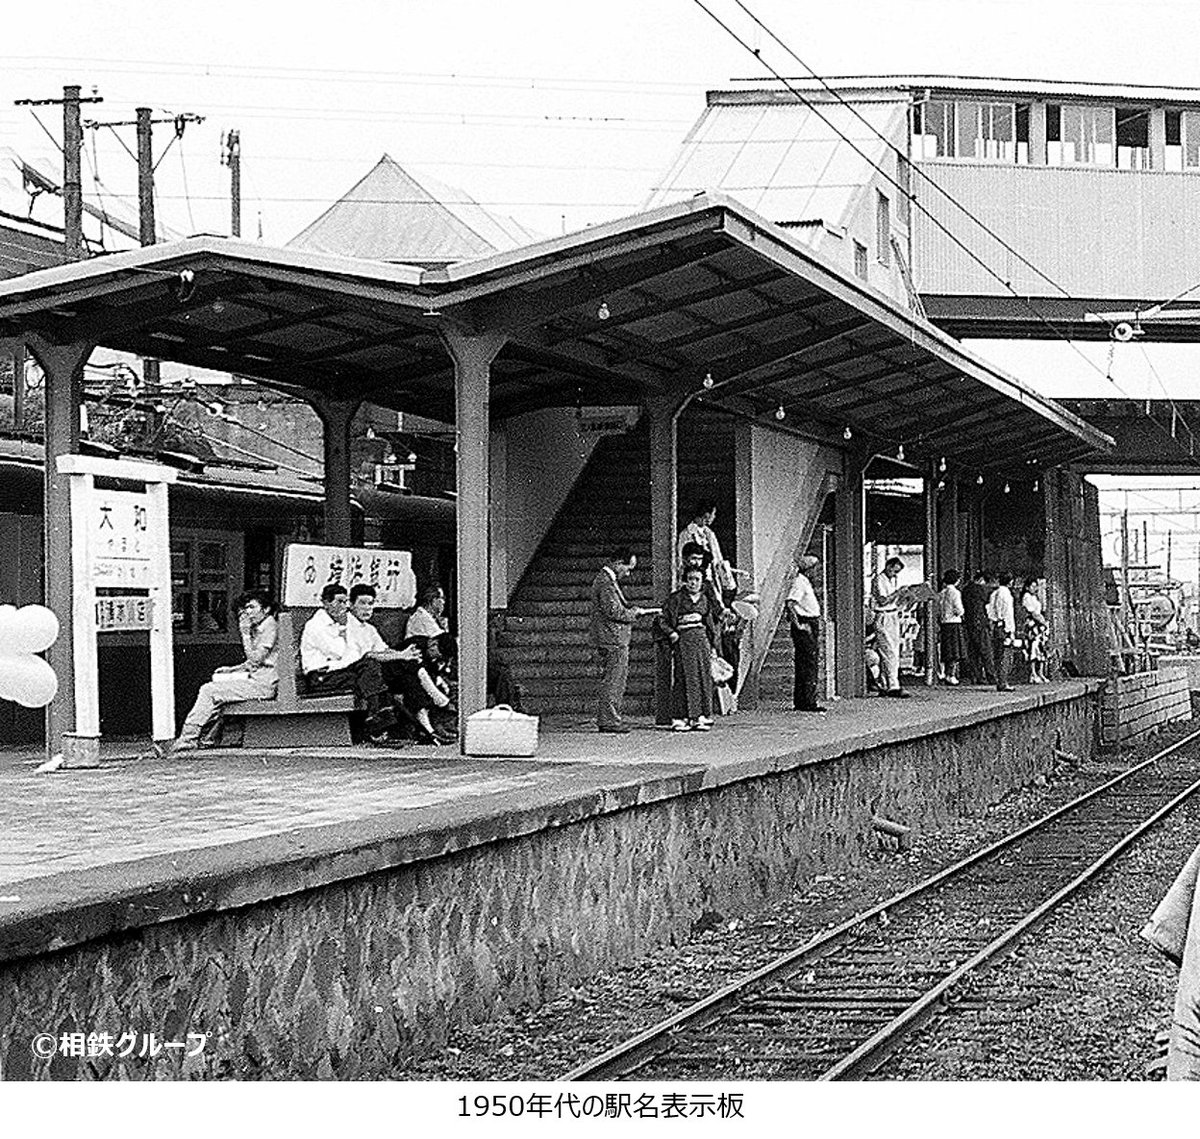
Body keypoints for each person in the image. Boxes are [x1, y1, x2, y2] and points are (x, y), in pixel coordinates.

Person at [167, 590, 279, 754]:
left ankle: (188, 738)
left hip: (263, 685)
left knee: (209, 690)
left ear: (266, 609)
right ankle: (207, 738)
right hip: (260, 679)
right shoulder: (264, 625)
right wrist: (233, 669)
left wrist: (245, 634)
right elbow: (257, 663)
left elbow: (256, 659)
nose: (248, 612)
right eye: (246, 608)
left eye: (252, 607)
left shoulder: (269, 626)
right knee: (218, 689)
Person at [300, 582, 395, 742]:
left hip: (337, 673)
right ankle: (376, 722)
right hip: (321, 677)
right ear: (326, 603)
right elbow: (340, 653)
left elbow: (350, 658)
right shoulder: (316, 626)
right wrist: (344, 632)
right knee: (370, 672)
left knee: (372, 672)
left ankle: (376, 720)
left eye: (345, 602)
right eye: (339, 602)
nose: (344, 607)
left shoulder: (338, 624)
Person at [346, 584, 441, 743]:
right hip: (359, 673)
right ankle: (433, 710)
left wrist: (404, 655)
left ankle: (427, 729)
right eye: (362, 603)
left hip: (376, 673)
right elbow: (367, 656)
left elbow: (385, 650)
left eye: (370, 604)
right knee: (406, 669)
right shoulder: (347, 626)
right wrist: (402, 656)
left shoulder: (369, 628)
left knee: (408, 677)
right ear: (351, 604)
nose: (367, 608)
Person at [656, 564, 721, 731]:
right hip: (683, 639)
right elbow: (662, 619)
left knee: (702, 677)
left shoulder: (705, 600)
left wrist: (713, 645)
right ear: (685, 581)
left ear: (702, 582)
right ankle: (680, 716)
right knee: (683, 677)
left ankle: (699, 716)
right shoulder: (676, 598)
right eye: (690, 579)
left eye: (697, 579)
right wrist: (671, 632)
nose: (693, 583)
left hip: (701, 640)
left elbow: (709, 623)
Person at [588, 548, 646, 734]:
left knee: (614, 679)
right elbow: (613, 611)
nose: (627, 573)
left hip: (611, 637)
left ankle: (610, 717)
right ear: (618, 563)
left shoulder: (605, 580)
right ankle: (609, 719)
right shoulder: (606, 583)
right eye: (627, 568)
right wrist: (633, 614)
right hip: (612, 638)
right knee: (614, 680)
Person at [785, 554, 825, 713]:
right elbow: (791, 603)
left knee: (807, 662)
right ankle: (807, 701)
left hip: (810, 622)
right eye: (816, 568)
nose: (818, 572)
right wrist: (799, 625)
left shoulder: (804, 581)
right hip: (806, 622)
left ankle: (804, 699)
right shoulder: (800, 582)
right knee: (808, 663)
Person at [871, 556, 911, 698]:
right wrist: (898, 592)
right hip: (884, 616)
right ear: (888, 566)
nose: (895, 575)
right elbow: (882, 600)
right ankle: (893, 685)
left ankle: (884, 684)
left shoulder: (889, 581)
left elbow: (892, 601)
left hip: (892, 615)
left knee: (892, 650)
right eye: (894, 571)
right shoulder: (879, 580)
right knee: (889, 651)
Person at [677, 500, 735, 596]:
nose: (714, 517)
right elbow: (682, 558)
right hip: (695, 577)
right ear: (706, 515)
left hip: (710, 576)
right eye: (713, 514)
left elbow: (717, 558)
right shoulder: (687, 534)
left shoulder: (709, 533)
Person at [962, 570, 997, 685]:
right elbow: (987, 604)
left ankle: (976, 677)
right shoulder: (980, 589)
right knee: (986, 650)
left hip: (969, 622)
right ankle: (990, 676)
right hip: (980, 622)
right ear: (981, 579)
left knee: (973, 652)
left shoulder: (965, 589)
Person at [987, 570, 1017, 692]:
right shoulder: (1006, 594)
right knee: (1006, 654)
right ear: (1010, 582)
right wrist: (1011, 630)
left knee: (998, 655)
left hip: (996, 625)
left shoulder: (994, 593)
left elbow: (989, 610)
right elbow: (1008, 613)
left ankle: (1000, 680)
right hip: (1004, 627)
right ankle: (1003, 682)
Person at [938, 569, 965, 687]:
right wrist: (961, 612)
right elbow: (959, 610)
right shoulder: (955, 592)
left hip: (944, 624)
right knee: (955, 652)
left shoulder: (941, 593)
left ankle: (945, 673)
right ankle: (951, 675)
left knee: (947, 651)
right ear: (957, 580)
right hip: (954, 623)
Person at [1021, 580, 1049, 684]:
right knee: (1033, 647)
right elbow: (1033, 613)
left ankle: (1040, 672)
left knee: (1041, 647)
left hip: (1039, 625)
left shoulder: (1034, 597)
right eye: (1032, 586)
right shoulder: (1026, 597)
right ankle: (1033, 673)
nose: (1035, 589)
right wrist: (1043, 621)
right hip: (1033, 624)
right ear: (1027, 587)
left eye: (1035, 586)